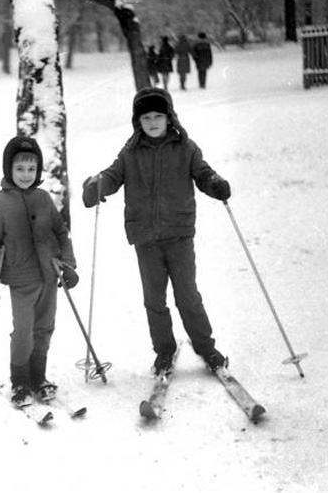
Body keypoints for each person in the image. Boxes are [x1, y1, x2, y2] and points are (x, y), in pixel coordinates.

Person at [81, 87, 229, 376]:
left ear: (169, 117)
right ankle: (164, 350)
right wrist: (97, 186)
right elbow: (113, 175)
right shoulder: (130, 152)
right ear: (138, 121)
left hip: (179, 234)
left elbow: (202, 173)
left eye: (158, 116)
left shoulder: (186, 148)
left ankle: (206, 346)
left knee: (187, 294)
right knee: (154, 298)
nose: (152, 122)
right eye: (146, 117)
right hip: (146, 237)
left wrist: (215, 183)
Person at [0, 136, 78, 407]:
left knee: (45, 327)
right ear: (8, 169)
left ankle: (39, 376)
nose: (26, 175)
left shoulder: (44, 198)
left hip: (49, 274)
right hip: (21, 279)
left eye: (31, 169)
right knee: (23, 330)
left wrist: (68, 264)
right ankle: (21, 380)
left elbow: (60, 232)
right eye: (20, 169)